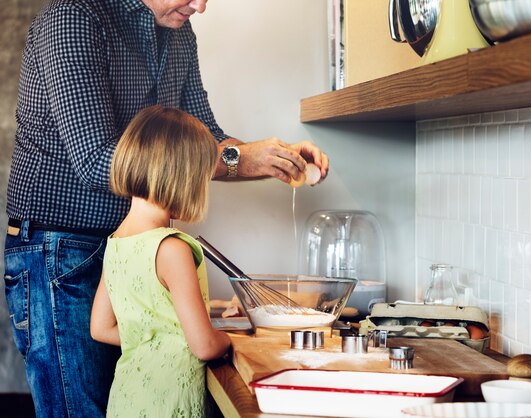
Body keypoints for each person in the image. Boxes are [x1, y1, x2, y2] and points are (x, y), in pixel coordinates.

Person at [3, 0, 328, 416]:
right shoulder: (75, 18)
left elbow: (204, 139)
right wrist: (241, 158)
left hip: (123, 245)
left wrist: (261, 158)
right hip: (61, 253)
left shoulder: (178, 30)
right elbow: (97, 159)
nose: (202, 6)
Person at [90, 105, 232, 416]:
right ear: (183, 179)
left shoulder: (116, 243)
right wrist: (232, 341)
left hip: (127, 400)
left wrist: (163, 337)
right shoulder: (171, 248)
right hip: (168, 404)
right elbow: (204, 346)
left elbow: (101, 328)